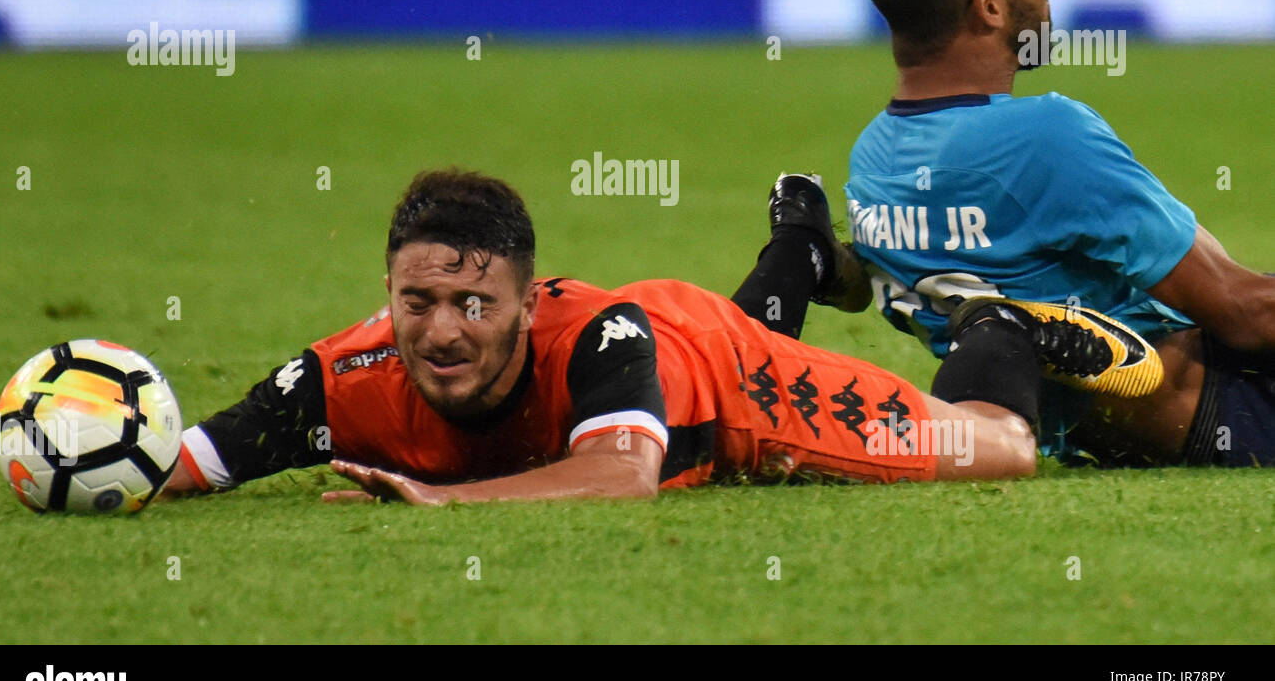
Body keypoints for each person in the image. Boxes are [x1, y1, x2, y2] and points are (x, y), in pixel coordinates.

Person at [163, 168, 1058, 505]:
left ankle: (993, 311)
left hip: (729, 378)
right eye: (417, 300)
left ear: (524, 305)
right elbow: (191, 457)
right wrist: (79, 451)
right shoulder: (336, 378)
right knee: (745, 312)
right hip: (657, 358)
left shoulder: (596, 335)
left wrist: (442, 499)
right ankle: (803, 248)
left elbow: (622, 475)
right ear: (387, 293)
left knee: (1002, 444)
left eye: (473, 303)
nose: (440, 330)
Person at [845, 0, 1275, 467]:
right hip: (1232, 409)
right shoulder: (1048, 136)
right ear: (990, 6)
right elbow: (1242, 314)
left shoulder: (872, 160)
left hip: (1096, 438)